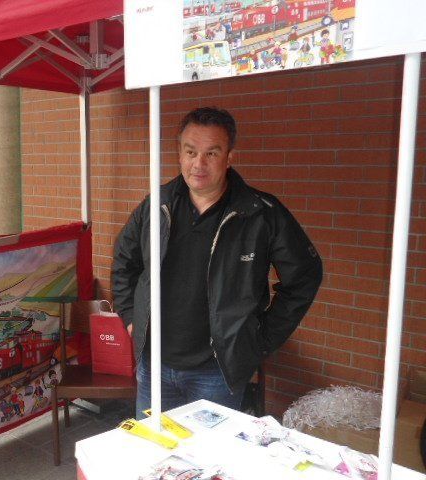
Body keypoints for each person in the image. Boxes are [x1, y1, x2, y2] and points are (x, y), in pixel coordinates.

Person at [111, 107, 322, 419]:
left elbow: (304, 276)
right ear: (179, 154)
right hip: (154, 365)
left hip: (217, 373)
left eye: (211, 153)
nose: (199, 163)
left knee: (210, 450)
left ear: (229, 157)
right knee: (152, 447)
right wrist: (131, 318)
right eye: (190, 152)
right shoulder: (156, 206)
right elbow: (124, 264)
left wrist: (259, 340)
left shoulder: (260, 213)